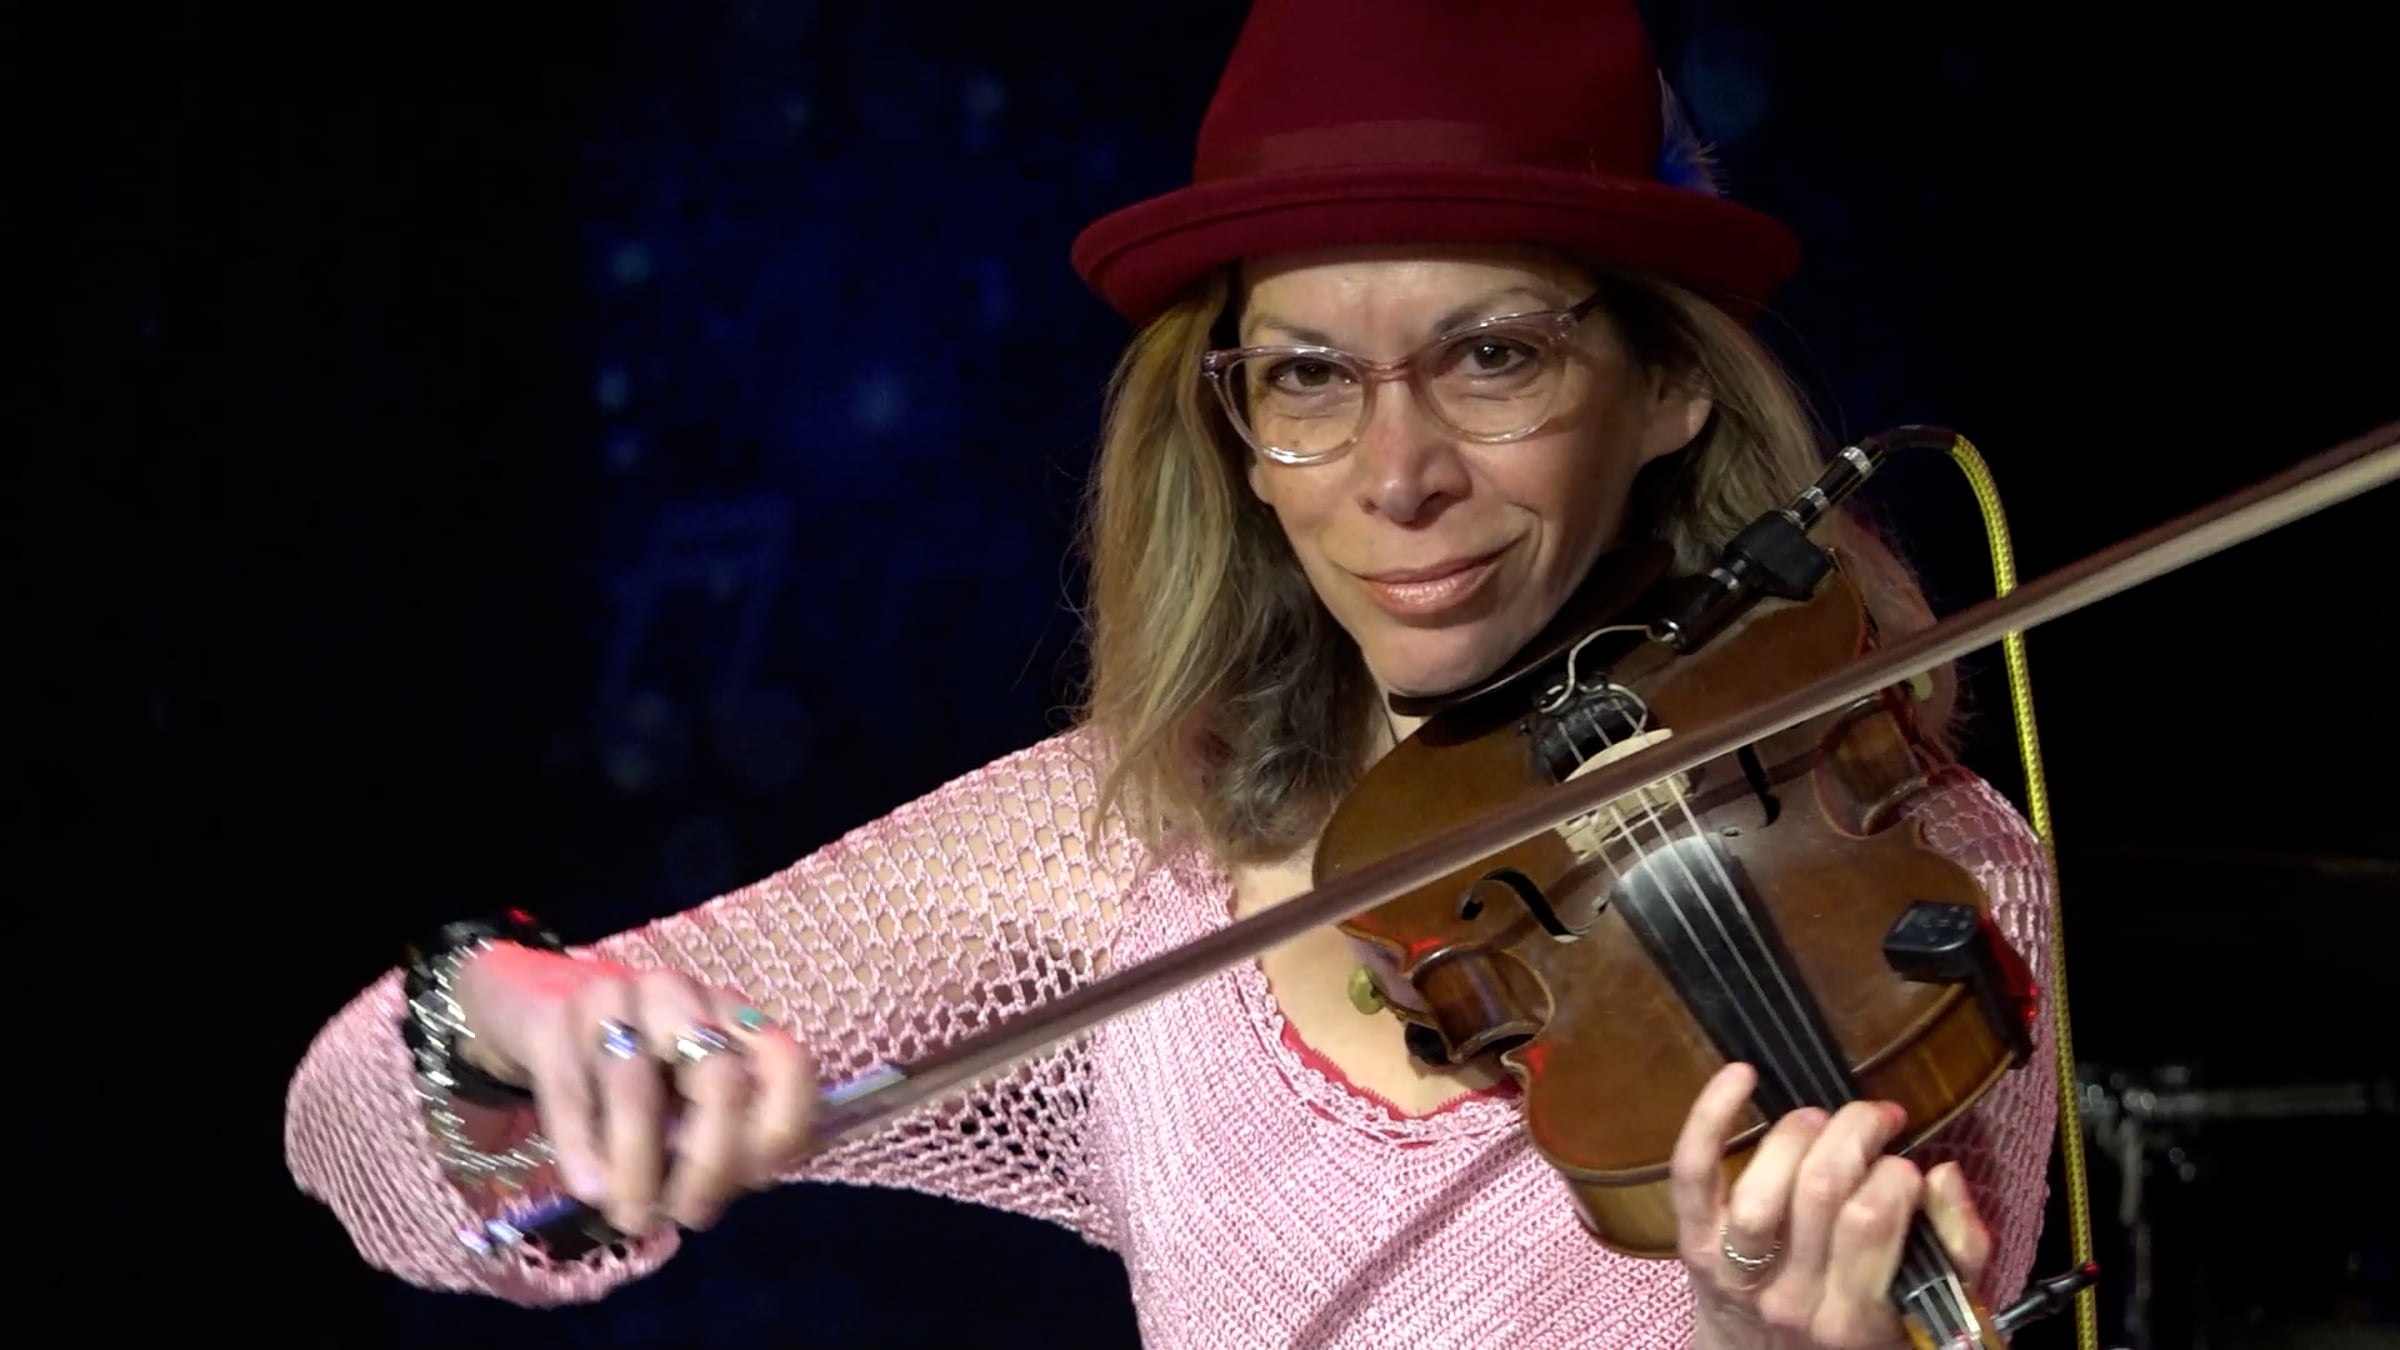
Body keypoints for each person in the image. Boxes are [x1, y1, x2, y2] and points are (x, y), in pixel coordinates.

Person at [283, 2, 2059, 1346]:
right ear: (1231, 429)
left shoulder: (1920, 877)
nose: (1396, 476)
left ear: (1667, 385)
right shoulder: (1130, 845)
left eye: (1495, 357)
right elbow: (371, 1152)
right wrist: (511, 1012)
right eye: (1307, 378)